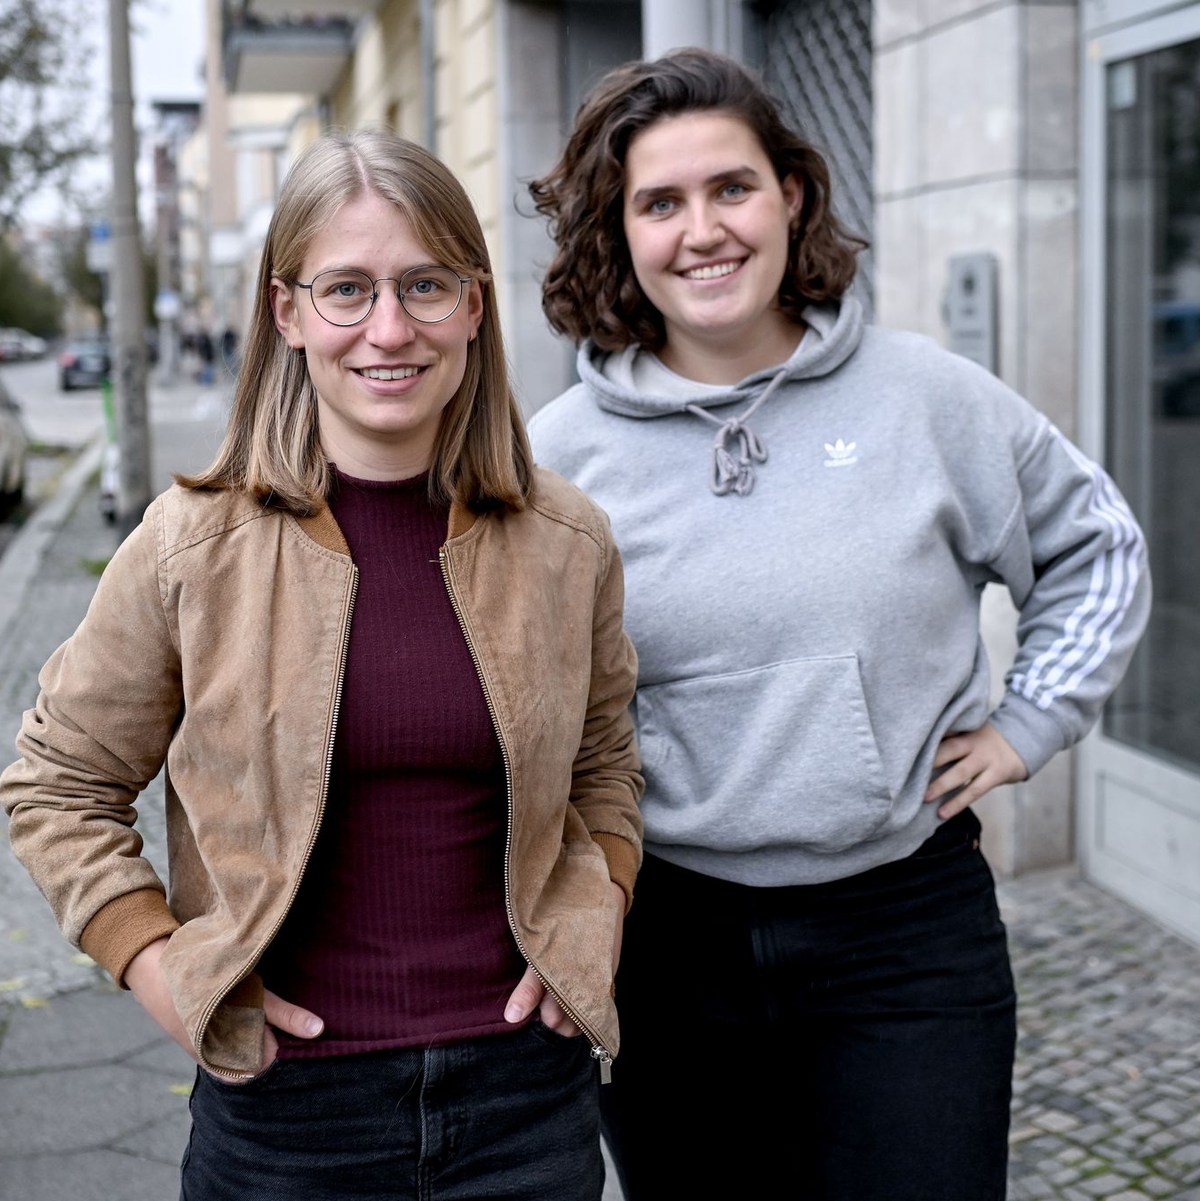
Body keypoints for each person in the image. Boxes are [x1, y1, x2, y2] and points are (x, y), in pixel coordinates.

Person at [527, 49, 1150, 1201]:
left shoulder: (930, 398)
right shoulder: (556, 457)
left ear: (793, 195)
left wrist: (1031, 720)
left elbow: (1099, 545)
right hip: (665, 937)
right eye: (659, 203)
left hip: (903, 931)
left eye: (732, 188)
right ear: (620, 233)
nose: (702, 229)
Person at [2, 130, 642, 1200]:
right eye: (346, 289)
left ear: (474, 307)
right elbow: (57, 782)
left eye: (425, 285)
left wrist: (600, 912)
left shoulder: (565, 541)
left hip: (525, 1103)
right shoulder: (190, 547)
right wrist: (162, 970)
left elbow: (607, 762)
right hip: (284, 1117)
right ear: (287, 312)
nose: (389, 328)